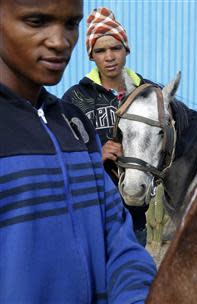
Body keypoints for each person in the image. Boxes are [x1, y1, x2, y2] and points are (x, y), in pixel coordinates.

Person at [0, 0, 156, 303]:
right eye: (36, 21)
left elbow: (117, 240)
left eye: (71, 24)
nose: (60, 42)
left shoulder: (74, 124)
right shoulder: (80, 99)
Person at [62, 7, 155, 245]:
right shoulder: (75, 99)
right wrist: (96, 155)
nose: (109, 56)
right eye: (100, 50)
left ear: (127, 49)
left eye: (116, 48)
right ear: (92, 56)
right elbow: (60, 156)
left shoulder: (147, 93)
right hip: (89, 214)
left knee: (129, 276)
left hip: (134, 215)